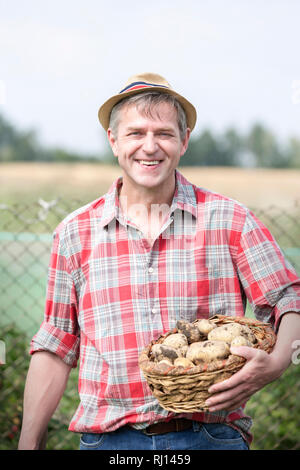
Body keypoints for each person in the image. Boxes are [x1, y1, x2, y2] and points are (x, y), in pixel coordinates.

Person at [18, 73, 300, 451]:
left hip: (211, 438)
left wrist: (279, 362)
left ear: (183, 141)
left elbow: (288, 298)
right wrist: (27, 444)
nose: (149, 147)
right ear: (113, 141)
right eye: (136, 133)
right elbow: (56, 345)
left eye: (163, 134)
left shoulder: (228, 220)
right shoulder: (75, 233)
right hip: (108, 442)